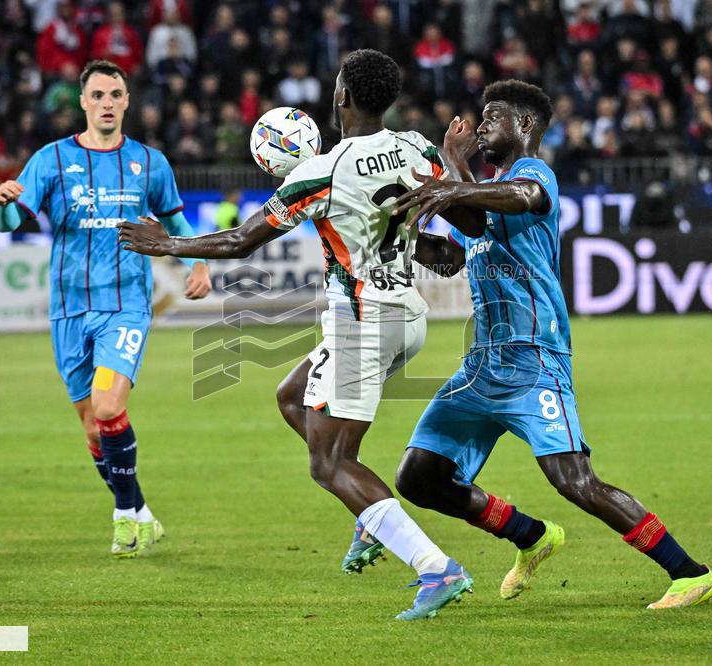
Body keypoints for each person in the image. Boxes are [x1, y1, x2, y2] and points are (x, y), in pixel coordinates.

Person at [118, 49, 472, 620]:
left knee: (328, 464)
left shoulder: (321, 172)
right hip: (409, 313)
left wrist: (169, 245)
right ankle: (371, 519)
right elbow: (431, 203)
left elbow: (241, 241)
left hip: (364, 319)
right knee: (291, 398)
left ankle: (436, 568)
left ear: (342, 98)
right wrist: (430, 245)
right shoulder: (414, 147)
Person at [389, 79, 712, 610]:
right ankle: (531, 536)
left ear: (522, 126)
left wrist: (452, 183)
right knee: (418, 477)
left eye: (491, 117)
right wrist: (397, 233)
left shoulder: (531, 174)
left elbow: (524, 198)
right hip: (481, 368)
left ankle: (690, 573)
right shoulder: (485, 194)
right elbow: (455, 252)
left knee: (575, 480)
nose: (481, 126)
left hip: (534, 359)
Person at [0, 59, 213, 559]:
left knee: (110, 406)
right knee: (93, 426)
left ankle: (121, 516)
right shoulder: (50, 160)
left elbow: (176, 218)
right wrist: (2, 201)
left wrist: (197, 265)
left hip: (126, 305)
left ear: (127, 101)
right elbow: (9, 220)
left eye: (116, 94)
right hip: (68, 310)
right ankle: (140, 511)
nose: (107, 103)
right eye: (98, 95)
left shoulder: (150, 162)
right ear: (83, 102)